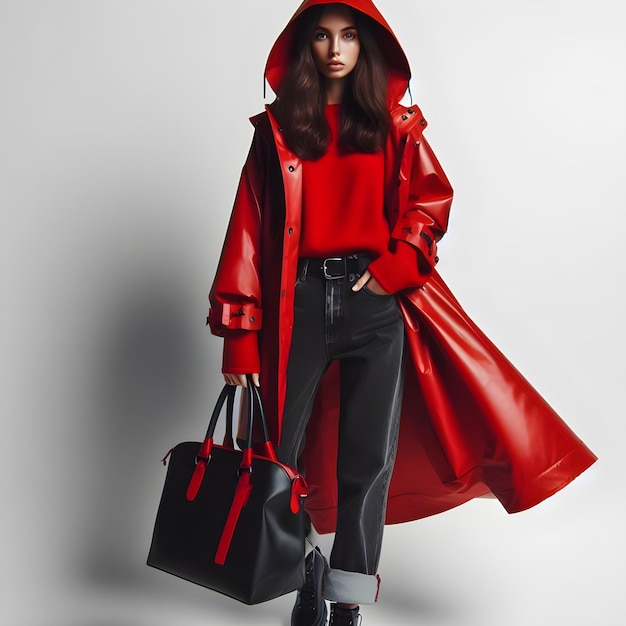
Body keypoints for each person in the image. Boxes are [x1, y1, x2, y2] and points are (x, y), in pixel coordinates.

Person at [208, 2, 597, 625]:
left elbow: (430, 202)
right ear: (304, 48)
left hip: (374, 307)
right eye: (322, 37)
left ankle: (348, 602)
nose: (336, 49)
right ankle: (303, 570)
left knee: (368, 459)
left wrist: (392, 270)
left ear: (368, 47)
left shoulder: (396, 126)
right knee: (280, 455)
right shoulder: (277, 130)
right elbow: (248, 232)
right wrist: (238, 339)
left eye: (350, 36)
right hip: (298, 303)